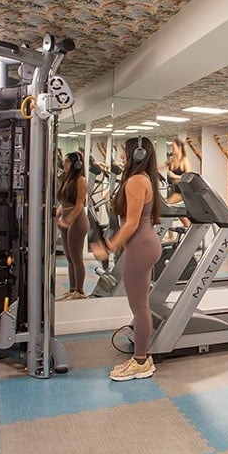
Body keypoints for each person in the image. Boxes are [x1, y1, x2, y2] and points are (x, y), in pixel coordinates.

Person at [90, 136, 163, 381]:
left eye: (124, 152)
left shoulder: (135, 181)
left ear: (137, 154)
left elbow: (131, 224)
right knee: (141, 306)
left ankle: (141, 361)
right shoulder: (143, 179)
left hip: (140, 246)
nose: (121, 156)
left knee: (140, 308)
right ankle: (142, 357)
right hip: (145, 244)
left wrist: (108, 247)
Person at [55, 152, 90, 300]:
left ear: (77, 165)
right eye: (65, 162)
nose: (65, 164)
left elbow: (79, 204)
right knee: (69, 258)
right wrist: (59, 212)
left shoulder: (80, 180)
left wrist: (68, 221)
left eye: (68, 162)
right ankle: (72, 289)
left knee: (76, 258)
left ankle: (80, 291)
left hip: (77, 221)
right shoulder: (66, 179)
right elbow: (65, 201)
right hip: (66, 219)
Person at [163, 138, 193, 231]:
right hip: (175, 190)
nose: (172, 149)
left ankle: (171, 235)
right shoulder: (172, 160)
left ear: (179, 147)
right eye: (171, 147)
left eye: (173, 147)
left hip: (184, 191)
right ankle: (189, 232)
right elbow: (158, 166)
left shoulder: (184, 160)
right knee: (178, 213)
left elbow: (189, 177)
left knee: (168, 207)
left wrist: (174, 176)